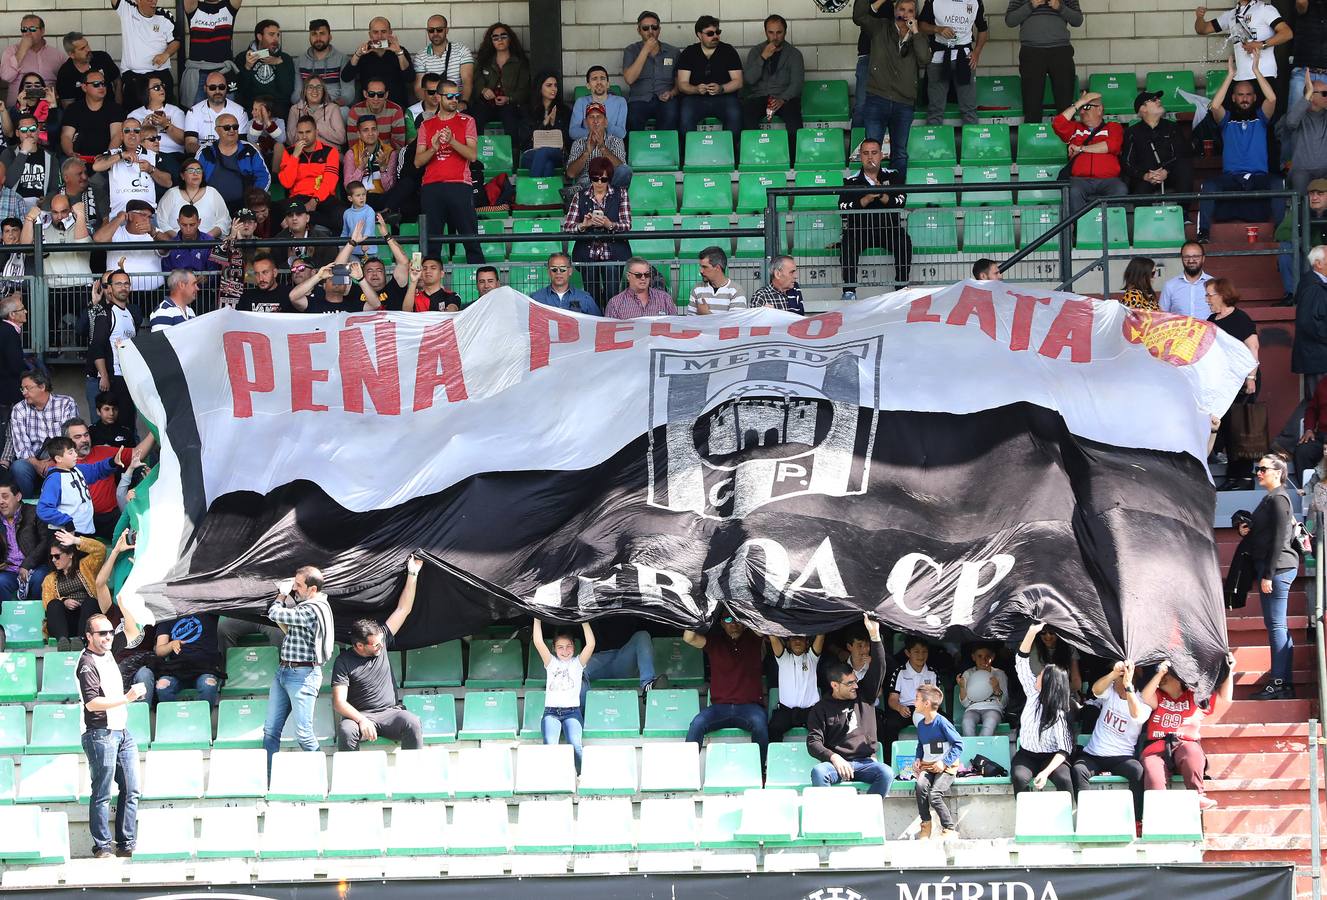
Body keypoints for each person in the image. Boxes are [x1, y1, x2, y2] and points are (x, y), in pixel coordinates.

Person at [332, 556, 423, 751]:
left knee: (412, 722)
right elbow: (339, 702)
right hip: (358, 715)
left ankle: (413, 776)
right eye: (375, 645)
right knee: (346, 731)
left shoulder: (381, 639)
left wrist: (413, 573)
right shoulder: (344, 661)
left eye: (381, 642)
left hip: (390, 713)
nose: (381, 647)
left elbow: (403, 609)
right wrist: (362, 719)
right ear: (359, 646)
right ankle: (351, 781)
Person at [78, 611, 146, 859]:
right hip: (99, 732)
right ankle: (102, 847)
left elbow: (132, 630)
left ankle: (126, 844)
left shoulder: (107, 650)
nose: (108, 636)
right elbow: (92, 703)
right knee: (102, 792)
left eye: (109, 631)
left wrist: (124, 603)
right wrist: (127, 698)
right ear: (88, 636)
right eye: (101, 633)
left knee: (131, 787)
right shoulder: (86, 662)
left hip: (121, 731)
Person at [806, 613, 894, 796]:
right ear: (835, 685)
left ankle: (867, 817)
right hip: (837, 764)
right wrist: (833, 757)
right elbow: (813, 742)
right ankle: (829, 822)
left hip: (866, 762)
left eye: (855, 681)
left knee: (886, 772)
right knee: (818, 772)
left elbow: (880, 666)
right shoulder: (821, 708)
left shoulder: (865, 695)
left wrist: (875, 636)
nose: (856, 685)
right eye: (850, 683)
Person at [1139, 655, 1236, 810]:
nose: (1164, 677)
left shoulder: (1196, 697)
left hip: (1184, 747)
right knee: (1153, 770)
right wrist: (1159, 673)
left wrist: (1229, 670)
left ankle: (1197, 795)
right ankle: (1157, 811)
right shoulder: (1158, 696)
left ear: (1180, 679)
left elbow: (1225, 698)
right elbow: (1144, 697)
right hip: (1156, 749)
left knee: (1192, 751)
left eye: (1168, 674)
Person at [1198, 53, 1278, 241]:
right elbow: (1215, 105)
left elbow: (1272, 99)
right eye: (1240, 95)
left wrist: (1256, 71)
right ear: (1233, 98)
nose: (1244, 98)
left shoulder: (1261, 118)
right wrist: (1230, 75)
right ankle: (1204, 233)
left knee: (1278, 184)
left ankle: (1281, 233)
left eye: (1248, 95)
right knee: (1208, 185)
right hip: (1231, 178)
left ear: (1254, 97)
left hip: (1258, 177)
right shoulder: (1227, 120)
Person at [262, 565, 333, 771]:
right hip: (284, 672)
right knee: (270, 730)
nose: (294, 588)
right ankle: (268, 781)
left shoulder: (312, 609)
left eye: (298, 585)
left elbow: (274, 613)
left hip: (303, 676)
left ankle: (321, 781)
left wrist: (280, 596)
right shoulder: (311, 605)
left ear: (312, 589)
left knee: (304, 734)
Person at [1071, 659, 1150, 827]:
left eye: (1117, 680)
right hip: (1094, 754)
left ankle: (1137, 820)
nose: (1114, 683)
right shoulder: (1110, 693)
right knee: (1078, 770)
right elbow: (1096, 689)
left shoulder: (1142, 701)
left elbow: (1137, 715)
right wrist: (1114, 673)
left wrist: (1128, 686)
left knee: (1138, 771)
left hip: (1121, 757)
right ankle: (1087, 818)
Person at [1246, 453, 1298, 698]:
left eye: (1263, 468)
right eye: (1258, 468)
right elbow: (1266, 531)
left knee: (1276, 625)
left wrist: (1268, 574)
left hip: (1277, 569)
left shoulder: (1279, 498)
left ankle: (1278, 682)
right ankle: (1284, 681)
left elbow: (1280, 539)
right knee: (1277, 626)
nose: (1259, 472)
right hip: (1273, 568)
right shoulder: (1271, 498)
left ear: (1277, 472)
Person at [682, 613, 768, 763]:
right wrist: (698, 613)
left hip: (749, 707)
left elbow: (762, 629)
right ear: (721, 623)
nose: (734, 624)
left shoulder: (754, 638)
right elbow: (689, 638)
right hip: (719, 708)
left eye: (738, 619)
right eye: (728, 619)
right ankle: (688, 771)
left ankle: (760, 771)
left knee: (760, 725)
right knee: (697, 723)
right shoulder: (715, 642)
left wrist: (746, 613)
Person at [856, 0, 928, 175]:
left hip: (903, 103)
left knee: (900, 153)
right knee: (872, 152)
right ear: (895, 10)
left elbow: (924, 59)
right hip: (877, 99)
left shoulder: (919, 36)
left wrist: (916, 32)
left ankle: (897, 196)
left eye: (910, 10)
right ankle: (872, 192)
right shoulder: (880, 27)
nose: (905, 14)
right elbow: (859, 16)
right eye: (902, 9)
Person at [415, 78, 482, 264]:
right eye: (450, 96)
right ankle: (429, 287)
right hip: (431, 187)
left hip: (459, 185)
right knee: (431, 244)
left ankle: (483, 285)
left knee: (471, 239)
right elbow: (418, 162)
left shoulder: (467, 121)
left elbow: (472, 155)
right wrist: (434, 148)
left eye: (457, 96)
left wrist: (452, 141)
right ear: (438, 97)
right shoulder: (426, 125)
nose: (455, 100)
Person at [838, 137, 909, 302]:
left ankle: (902, 287)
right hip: (860, 230)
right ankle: (849, 291)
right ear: (860, 157)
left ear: (881, 155)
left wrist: (882, 194)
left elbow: (901, 201)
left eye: (874, 153)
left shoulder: (894, 177)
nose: (870, 157)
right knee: (848, 243)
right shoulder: (851, 181)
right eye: (866, 153)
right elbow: (842, 208)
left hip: (888, 229)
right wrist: (867, 198)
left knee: (904, 241)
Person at [1010, 622, 1076, 796]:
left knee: (1065, 779)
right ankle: (1025, 816)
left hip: (1052, 756)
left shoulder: (1060, 713)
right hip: (1026, 754)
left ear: (1049, 683)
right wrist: (1032, 631)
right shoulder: (1032, 693)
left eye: (1040, 674)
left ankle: (1069, 816)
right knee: (1019, 776)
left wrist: (1046, 773)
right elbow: (1021, 661)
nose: (1036, 675)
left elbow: (1064, 750)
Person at [1208, 278, 1261, 489]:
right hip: (1223, 383)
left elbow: (1253, 347)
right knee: (1228, 428)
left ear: (1222, 294)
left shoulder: (1241, 318)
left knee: (1242, 428)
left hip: (1242, 381)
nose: (1208, 299)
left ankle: (1245, 476)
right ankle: (1232, 475)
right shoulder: (1212, 319)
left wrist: (1251, 377)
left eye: (1210, 295)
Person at [565, 156, 632, 308]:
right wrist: (583, 225)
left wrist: (610, 225)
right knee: (591, 296)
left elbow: (627, 224)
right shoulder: (580, 195)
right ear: (590, 178)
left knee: (612, 295)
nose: (599, 183)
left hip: (614, 254)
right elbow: (568, 226)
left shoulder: (621, 194)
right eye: (596, 179)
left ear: (609, 178)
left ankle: (611, 325)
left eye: (604, 179)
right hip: (588, 255)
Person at [533, 617, 596, 773]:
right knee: (550, 744)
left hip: (572, 713)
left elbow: (591, 644)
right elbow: (538, 642)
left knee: (575, 745)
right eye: (560, 647)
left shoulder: (578, 663)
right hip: (551, 713)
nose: (565, 651)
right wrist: (536, 618)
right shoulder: (551, 663)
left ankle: (581, 778)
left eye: (569, 646)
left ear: (574, 647)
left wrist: (584, 619)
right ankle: (554, 779)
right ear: (554, 648)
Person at [1, 371, 78, 498]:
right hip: (32, 458)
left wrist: (54, 461)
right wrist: (37, 464)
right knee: (19, 467)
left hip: (59, 455)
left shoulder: (66, 403)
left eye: (28, 388)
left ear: (42, 386)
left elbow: (69, 439)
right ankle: (29, 504)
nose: (24, 392)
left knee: (66, 462)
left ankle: (60, 502)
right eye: (22, 389)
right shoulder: (19, 409)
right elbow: (21, 446)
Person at [1004, 0, 1082, 125]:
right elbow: (1010, 21)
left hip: (1060, 51)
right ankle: (1033, 142)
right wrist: (1031, 5)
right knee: (1032, 105)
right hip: (1031, 52)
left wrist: (1059, 7)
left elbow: (1078, 20)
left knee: (1065, 105)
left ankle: (1069, 142)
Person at [85, 270, 139, 446]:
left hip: (128, 377)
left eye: (126, 283)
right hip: (113, 377)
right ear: (109, 288)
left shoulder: (130, 314)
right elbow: (96, 346)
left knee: (128, 426)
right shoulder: (106, 313)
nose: (123, 287)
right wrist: (104, 375)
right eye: (118, 284)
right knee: (115, 427)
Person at [1053, 90, 1127, 213]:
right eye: (1080, 108)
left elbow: (1111, 145)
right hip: (1080, 180)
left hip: (1109, 180)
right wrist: (1080, 102)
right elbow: (1058, 124)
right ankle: (1080, 229)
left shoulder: (1113, 127)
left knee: (1120, 189)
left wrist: (1081, 148)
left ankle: (1112, 229)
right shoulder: (1075, 128)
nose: (1081, 111)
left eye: (1086, 107)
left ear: (1099, 109)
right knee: (1073, 190)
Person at [36, 434, 124, 534]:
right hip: (67, 533)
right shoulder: (54, 479)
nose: (75, 455)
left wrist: (113, 462)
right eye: (70, 453)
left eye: (74, 451)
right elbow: (44, 509)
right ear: (59, 459)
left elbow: (96, 470)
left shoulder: (78, 469)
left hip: (86, 530)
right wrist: (66, 522)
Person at [133, 608, 223, 706]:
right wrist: (171, 645)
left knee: (209, 685)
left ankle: (201, 719)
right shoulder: (168, 617)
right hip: (178, 669)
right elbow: (160, 651)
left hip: (205, 668)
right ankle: (174, 719)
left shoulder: (208, 610)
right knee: (162, 686)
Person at [919, 0, 989, 125]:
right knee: (935, 109)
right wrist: (937, 29)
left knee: (969, 109)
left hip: (965, 56)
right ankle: (934, 143)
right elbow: (922, 25)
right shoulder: (934, 1)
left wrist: (977, 52)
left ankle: (972, 144)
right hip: (939, 56)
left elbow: (983, 30)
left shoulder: (975, 1)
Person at [1194, 0, 1292, 83]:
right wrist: (1199, 17)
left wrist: (1261, 44)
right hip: (1240, 78)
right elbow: (1202, 29)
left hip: (1264, 75)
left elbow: (1287, 33)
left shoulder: (1265, 9)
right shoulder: (1231, 14)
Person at [676, 16, 743, 137]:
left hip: (724, 97)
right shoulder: (689, 52)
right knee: (685, 116)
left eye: (718, 32)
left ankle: (732, 150)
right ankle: (689, 151)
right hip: (695, 98)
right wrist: (695, 89)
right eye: (710, 33)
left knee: (735, 115)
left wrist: (721, 88)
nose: (715, 36)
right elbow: (682, 84)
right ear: (699, 35)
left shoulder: (728, 51)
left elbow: (738, 81)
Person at [91, 117, 171, 219]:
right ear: (121, 135)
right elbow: (96, 166)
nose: (132, 134)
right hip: (119, 217)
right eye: (127, 131)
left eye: (136, 131)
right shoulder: (113, 154)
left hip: (147, 217)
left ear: (141, 135)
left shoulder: (153, 155)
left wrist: (151, 169)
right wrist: (121, 155)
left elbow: (168, 182)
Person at [741, 15, 804, 144]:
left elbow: (797, 84)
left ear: (785, 32)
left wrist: (783, 99)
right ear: (765, 32)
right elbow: (749, 79)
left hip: (784, 98)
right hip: (759, 97)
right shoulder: (756, 51)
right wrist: (763, 57)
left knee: (794, 125)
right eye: (771, 32)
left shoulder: (794, 54)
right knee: (747, 119)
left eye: (779, 32)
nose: (775, 37)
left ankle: (792, 160)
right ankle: (756, 155)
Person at [912, 682, 962, 838]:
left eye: (917, 699)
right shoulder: (920, 725)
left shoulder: (942, 722)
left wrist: (944, 762)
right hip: (928, 766)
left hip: (946, 767)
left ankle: (949, 828)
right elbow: (920, 745)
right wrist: (918, 758)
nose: (914, 702)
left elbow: (959, 744)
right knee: (920, 787)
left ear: (926, 704)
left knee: (934, 795)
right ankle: (925, 825)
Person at [44, 531, 107, 651]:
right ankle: (63, 641)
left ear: (70, 554)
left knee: (91, 602)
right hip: (65, 623)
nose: (53, 560)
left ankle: (81, 640)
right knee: (53, 604)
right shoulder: (50, 578)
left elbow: (101, 550)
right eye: (51, 556)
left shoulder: (86, 566)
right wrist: (64, 601)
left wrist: (76, 540)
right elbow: (47, 603)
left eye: (57, 556)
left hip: (86, 619)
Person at [1121, 90, 1194, 195]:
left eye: (1158, 99)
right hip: (1146, 177)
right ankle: (1144, 212)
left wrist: (1165, 171)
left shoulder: (1172, 127)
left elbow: (1181, 153)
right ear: (1143, 109)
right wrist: (1145, 175)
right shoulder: (1132, 132)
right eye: (1153, 100)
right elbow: (1127, 162)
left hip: (1170, 174)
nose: (1158, 101)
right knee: (1140, 190)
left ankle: (1183, 211)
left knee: (1184, 167)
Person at [277, 116, 343, 231]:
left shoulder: (330, 151)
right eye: (300, 132)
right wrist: (295, 157)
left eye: (308, 132)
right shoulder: (289, 152)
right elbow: (287, 183)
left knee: (341, 214)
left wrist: (314, 201)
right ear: (296, 133)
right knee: (276, 210)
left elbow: (329, 182)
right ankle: (311, 220)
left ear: (316, 132)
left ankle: (311, 221)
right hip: (298, 198)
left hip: (324, 197)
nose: (304, 136)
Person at [112, 0, 181, 109]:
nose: (154, 2)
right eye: (149, 0)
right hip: (134, 77)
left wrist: (166, 54)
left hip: (160, 74)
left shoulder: (165, 16)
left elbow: (176, 41)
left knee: (163, 114)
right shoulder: (127, 9)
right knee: (133, 117)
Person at [196, 113, 270, 213]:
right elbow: (194, 176)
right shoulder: (206, 151)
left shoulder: (250, 149)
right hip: (211, 206)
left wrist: (255, 198)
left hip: (244, 207)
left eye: (235, 127)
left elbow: (264, 176)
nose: (232, 130)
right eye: (227, 127)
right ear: (217, 130)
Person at [879, 635, 939, 752]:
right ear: (907, 653)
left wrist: (928, 709)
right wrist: (899, 708)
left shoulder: (932, 673)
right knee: (890, 725)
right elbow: (892, 699)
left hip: (927, 708)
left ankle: (937, 758)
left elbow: (936, 698)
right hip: (905, 710)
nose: (921, 656)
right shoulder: (899, 672)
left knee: (945, 722)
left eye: (924, 652)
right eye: (916, 652)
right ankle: (890, 759)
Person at [470, 23, 529, 141]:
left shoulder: (520, 63)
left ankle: (513, 154)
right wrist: (483, 90)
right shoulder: (484, 60)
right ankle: (476, 155)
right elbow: (475, 81)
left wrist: (509, 98)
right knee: (476, 117)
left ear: (510, 39)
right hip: (487, 104)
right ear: (491, 41)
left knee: (511, 120)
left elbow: (525, 90)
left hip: (509, 105)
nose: (500, 40)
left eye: (503, 36)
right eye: (495, 37)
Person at [623, 11, 680, 132]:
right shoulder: (631, 50)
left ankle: (665, 150)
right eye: (645, 28)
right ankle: (637, 150)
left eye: (654, 27)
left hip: (665, 99)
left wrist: (672, 93)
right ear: (639, 30)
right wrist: (645, 50)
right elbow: (629, 79)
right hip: (640, 99)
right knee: (632, 119)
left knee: (671, 116)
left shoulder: (673, 51)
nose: (650, 31)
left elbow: (679, 82)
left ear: (659, 29)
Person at [341, 17, 414, 108]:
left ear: (390, 33)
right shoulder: (363, 53)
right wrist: (357, 55)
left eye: (383, 32)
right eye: (375, 32)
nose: (379, 36)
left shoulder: (400, 51)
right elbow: (346, 77)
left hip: (396, 107)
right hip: (369, 107)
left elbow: (410, 78)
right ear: (370, 34)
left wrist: (399, 53)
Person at [179, 0, 239, 107]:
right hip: (199, 74)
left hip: (224, 72)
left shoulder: (229, 7)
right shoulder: (193, 7)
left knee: (228, 111)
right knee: (198, 112)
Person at [768, 632, 824, 743]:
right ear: (788, 643)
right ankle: (776, 758)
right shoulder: (783, 659)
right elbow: (773, 638)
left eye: (801, 639)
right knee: (773, 728)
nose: (797, 641)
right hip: (786, 711)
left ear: (807, 643)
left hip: (810, 711)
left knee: (822, 731)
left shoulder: (812, 658)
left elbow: (821, 634)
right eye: (794, 639)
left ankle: (823, 758)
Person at [1276, 180, 1327, 302]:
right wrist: (1303, 241)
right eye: (1311, 193)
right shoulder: (1299, 210)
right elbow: (1281, 232)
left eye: (1320, 193)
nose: (1314, 197)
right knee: (1286, 247)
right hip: (1307, 255)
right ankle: (1292, 295)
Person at [0, 480, 50, 602]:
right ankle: (6, 619)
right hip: (9, 570)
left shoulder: (35, 512)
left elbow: (46, 541)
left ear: (18, 496)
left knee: (39, 578)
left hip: (35, 566)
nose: (1, 502)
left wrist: (27, 565)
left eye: (5, 496)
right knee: (0, 581)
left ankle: (35, 618)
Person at [127, 74, 188, 175]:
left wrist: (166, 125)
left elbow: (183, 140)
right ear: (146, 92)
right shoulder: (134, 115)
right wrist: (143, 129)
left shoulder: (175, 111)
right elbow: (129, 143)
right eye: (156, 87)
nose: (161, 89)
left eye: (162, 85)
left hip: (171, 155)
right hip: (144, 155)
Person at [1, 113, 58, 214]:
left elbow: (54, 189)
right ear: (17, 133)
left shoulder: (50, 157)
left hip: (40, 209)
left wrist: (47, 199)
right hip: (13, 207)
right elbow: (7, 183)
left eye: (32, 129)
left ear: (38, 131)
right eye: (23, 130)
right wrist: (23, 153)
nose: (28, 133)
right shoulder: (8, 153)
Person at [1, 17, 65, 108]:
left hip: (48, 108)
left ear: (42, 31)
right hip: (18, 108)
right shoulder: (11, 51)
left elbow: (65, 81)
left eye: (32, 29)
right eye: (24, 29)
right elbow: (6, 77)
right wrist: (22, 50)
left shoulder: (57, 55)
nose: (27, 33)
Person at [234, 19, 294, 115]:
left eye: (277, 35)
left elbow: (287, 91)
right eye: (271, 34)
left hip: (277, 113)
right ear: (259, 36)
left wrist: (279, 65)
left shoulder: (285, 59)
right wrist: (247, 67)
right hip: (251, 112)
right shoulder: (242, 57)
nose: (276, 39)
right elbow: (239, 90)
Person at [566, 102, 631, 189]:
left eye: (599, 117)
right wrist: (586, 152)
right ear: (586, 122)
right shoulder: (578, 143)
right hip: (587, 184)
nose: (595, 121)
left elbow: (622, 170)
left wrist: (603, 148)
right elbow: (571, 174)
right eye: (591, 117)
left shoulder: (616, 141)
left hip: (609, 184)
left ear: (606, 122)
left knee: (625, 170)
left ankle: (611, 198)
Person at [158, 160, 230, 237]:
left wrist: (206, 237)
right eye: (191, 170)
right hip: (176, 245)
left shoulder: (212, 192)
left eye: (199, 170)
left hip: (207, 244)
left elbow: (224, 221)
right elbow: (160, 221)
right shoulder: (172, 194)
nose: (195, 173)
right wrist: (178, 239)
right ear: (182, 175)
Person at [414, 15, 473, 108]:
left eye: (439, 29)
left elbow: (467, 80)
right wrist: (432, 108)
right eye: (431, 30)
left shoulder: (462, 50)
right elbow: (419, 88)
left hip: (457, 103)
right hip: (433, 106)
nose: (435, 33)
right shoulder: (420, 56)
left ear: (447, 30)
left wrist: (464, 103)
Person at [185, 73, 249, 154]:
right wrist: (210, 153)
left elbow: (242, 143)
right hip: (204, 157)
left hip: (231, 158)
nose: (217, 91)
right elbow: (189, 144)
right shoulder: (193, 112)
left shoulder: (240, 111)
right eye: (212, 88)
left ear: (226, 87)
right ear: (205, 88)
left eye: (221, 87)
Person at [294, 20, 351, 110]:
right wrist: (311, 106)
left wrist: (330, 105)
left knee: (344, 111)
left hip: (333, 106)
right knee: (295, 111)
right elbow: (297, 94)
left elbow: (348, 94)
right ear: (309, 37)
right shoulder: (299, 61)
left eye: (322, 33)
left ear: (330, 36)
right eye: (314, 34)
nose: (318, 38)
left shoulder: (342, 59)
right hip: (308, 106)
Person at [1284, 73, 1327, 194]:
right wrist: (1307, 95)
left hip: (1325, 171)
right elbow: (1291, 122)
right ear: (1311, 96)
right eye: (1324, 94)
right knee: (1301, 204)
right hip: (1301, 171)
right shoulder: (1298, 114)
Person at [523, 72, 571, 176]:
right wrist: (544, 123)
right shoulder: (528, 110)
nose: (554, 89)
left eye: (555, 85)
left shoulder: (564, 111)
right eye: (549, 85)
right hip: (532, 152)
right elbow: (524, 138)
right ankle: (545, 192)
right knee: (548, 165)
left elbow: (567, 138)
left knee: (544, 152)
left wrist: (554, 124)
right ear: (539, 88)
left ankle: (532, 189)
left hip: (557, 153)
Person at [1294, 246, 1327, 396]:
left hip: (1318, 356)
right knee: (1320, 404)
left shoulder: (1316, 284)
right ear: (1318, 264)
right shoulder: (1313, 287)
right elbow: (1307, 323)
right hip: (1318, 358)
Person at [58, 32, 121, 109]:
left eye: (87, 45)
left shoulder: (102, 57)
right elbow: (67, 105)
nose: (88, 49)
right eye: (82, 48)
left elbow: (117, 81)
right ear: (72, 54)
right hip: (82, 116)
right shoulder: (65, 73)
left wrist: (118, 107)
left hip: (110, 110)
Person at [343, 116, 396, 207]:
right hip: (360, 199)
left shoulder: (390, 152)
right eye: (365, 130)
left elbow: (390, 188)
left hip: (383, 197)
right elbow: (348, 187)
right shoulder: (351, 153)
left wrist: (383, 168)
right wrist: (361, 167)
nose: (370, 133)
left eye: (373, 129)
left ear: (378, 132)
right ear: (359, 134)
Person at [957, 644, 1007, 736]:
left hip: (993, 708)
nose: (984, 660)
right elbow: (965, 704)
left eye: (987, 656)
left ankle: (982, 749)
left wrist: (996, 688)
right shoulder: (968, 673)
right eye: (979, 656)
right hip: (973, 708)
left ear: (993, 657)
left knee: (989, 723)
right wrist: (962, 687)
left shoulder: (999, 674)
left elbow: (1004, 703)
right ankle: (972, 749)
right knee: (967, 723)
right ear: (973, 657)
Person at [530, 252, 600, 315]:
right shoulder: (536, 299)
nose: (558, 272)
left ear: (570, 271)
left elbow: (599, 324)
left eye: (563, 269)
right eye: (554, 269)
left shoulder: (585, 298)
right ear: (548, 272)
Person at [272, 199, 335, 269]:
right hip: (288, 280)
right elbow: (275, 274)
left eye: (298, 214)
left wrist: (310, 261)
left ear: (307, 218)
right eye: (290, 215)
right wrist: (289, 262)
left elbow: (329, 269)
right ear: (286, 220)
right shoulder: (277, 241)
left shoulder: (323, 239)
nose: (294, 218)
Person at [569, 66, 627, 141]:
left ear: (608, 84)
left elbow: (621, 133)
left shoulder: (620, 102)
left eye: (602, 78)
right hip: (587, 144)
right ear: (588, 85)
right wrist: (597, 133)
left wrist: (605, 125)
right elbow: (573, 132)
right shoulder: (581, 102)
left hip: (612, 145)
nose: (599, 82)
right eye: (594, 79)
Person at [605, 257, 674, 319]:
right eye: (638, 275)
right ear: (628, 276)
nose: (643, 278)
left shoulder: (665, 299)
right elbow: (608, 331)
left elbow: (676, 326)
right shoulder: (615, 304)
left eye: (647, 274)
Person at [288, 76, 345, 148]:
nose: (315, 90)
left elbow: (341, 139)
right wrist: (306, 122)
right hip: (303, 155)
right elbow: (291, 141)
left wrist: (313, 122)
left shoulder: (333, 108)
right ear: (304, 91)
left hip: (329, 153)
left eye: (319, 87)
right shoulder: (295, 109)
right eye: (310, 87)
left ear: (323, 91)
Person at [688, 245, 747, 315]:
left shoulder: (736, 291)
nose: (701, 271)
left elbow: (734, 323)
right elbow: (690, 322)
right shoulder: (696, 289)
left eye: (705, 267)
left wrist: (706, 314)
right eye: (701, 267)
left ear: (717, 268)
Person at [1159, 242, 1212, 318]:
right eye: (1186, 257)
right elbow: (1162, 316)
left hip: (1208, 330)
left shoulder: (1214, 284)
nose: (1191, 260)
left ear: (1203, 258)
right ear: (1181, 258)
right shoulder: (1170, 286)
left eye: (1196, 256)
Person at [348, 79, 406, 147]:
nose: (376, 98)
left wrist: (382, 155)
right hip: (361, 155)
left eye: (380, 94)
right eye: (371, 94)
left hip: (388, 155)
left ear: (386, 95)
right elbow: (353, 144)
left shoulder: (396, 111)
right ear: (365, 94)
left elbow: (398, 144)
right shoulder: (355, 111)